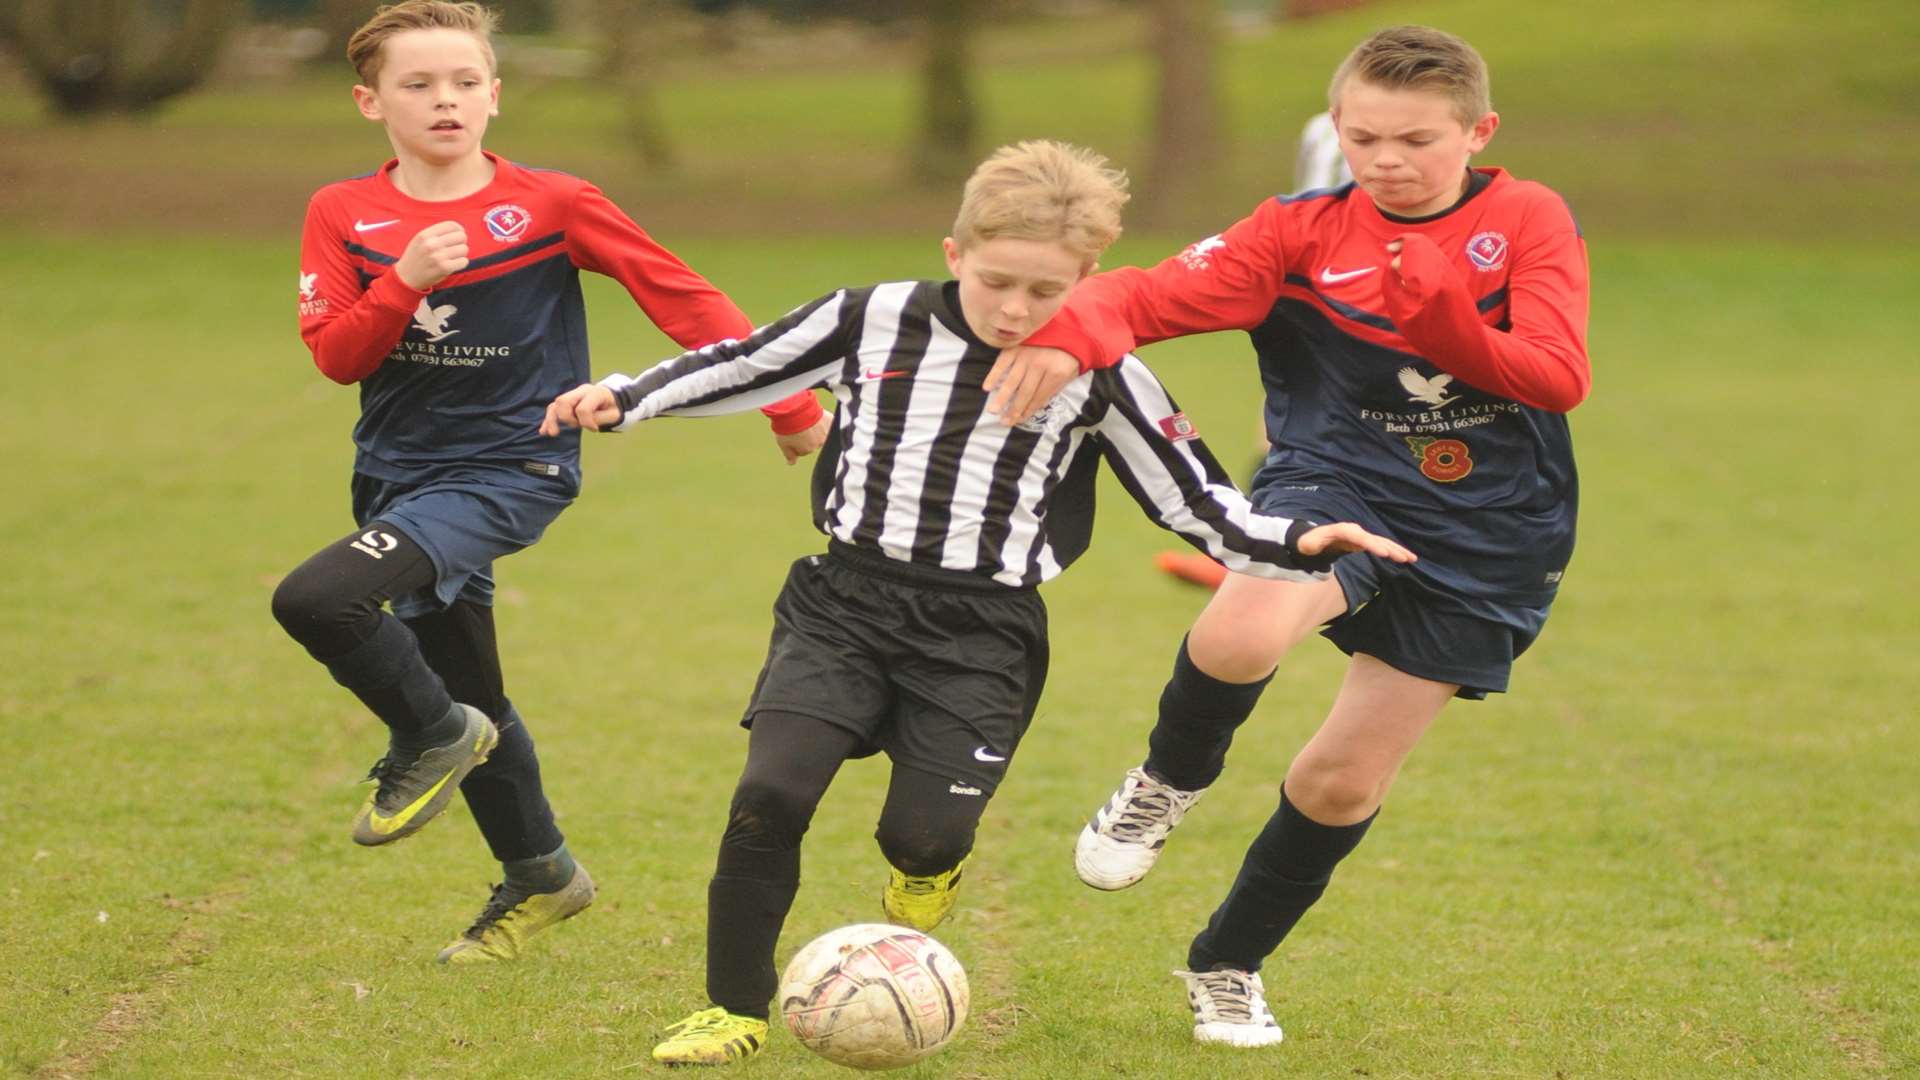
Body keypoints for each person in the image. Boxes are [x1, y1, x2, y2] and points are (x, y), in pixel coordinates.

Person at [540, 140, 1417, 1066]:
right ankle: (733, 1010)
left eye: (1046, 293)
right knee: (770, 793)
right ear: (955, 253)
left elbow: (1194, 499)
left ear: (1087, 279)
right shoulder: (870, 317)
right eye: (996, 281)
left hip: (981, 634)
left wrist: (1295, 541)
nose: (1016, 310)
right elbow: (748, 363)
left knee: (921, 835)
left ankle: (929, 868)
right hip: (844, 601)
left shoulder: (1103, 369)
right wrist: (623, 398)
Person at [987, 25, 1591, 1048]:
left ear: (1476, 131)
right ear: (1336, 130)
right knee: (1243, 630)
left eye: (1414, 140)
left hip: (1490, 530)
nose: (1386, 161)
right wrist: (1065, 331)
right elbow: (1143, 294)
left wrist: (1443, 317)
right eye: (1363, 139)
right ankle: (1166, 783)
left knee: (1341, 780)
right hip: (1337, 474)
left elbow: (1557, 375)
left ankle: (1226, 964)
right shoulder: (1297, 231)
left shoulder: (1527, 218)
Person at [269, 0, 828, 966]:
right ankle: (542, 872)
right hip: (396, 476)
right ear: (371, 101)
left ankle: (432, 739)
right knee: (469, 687)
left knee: (319, 598)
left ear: (495, 93)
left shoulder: (553, 203)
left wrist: (787, 406)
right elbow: (337, 358)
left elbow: (683, 296)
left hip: (513, 467)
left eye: (465, 82)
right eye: (418, 84)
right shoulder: (341, 213)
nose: (445, 100)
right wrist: (401, 279)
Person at [1154, 109, 1352, 591]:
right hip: (1315, 282)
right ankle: (1252, 552)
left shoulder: (1427, 128)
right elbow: (1307, 196)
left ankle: (1260, 557)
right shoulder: (1319, 128)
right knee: (1279, 421)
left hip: (1374, 294)